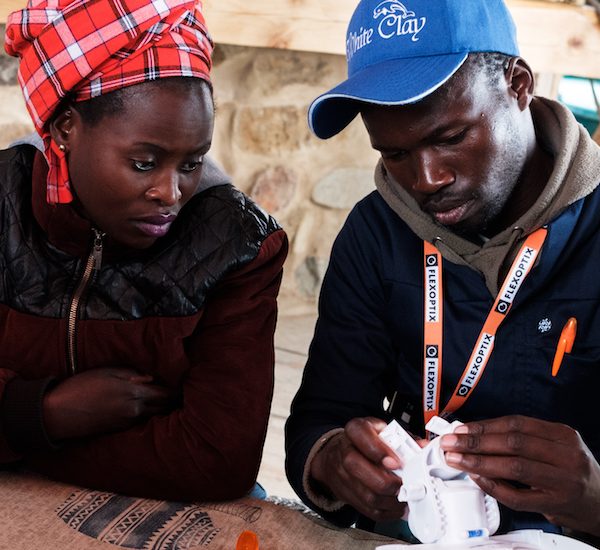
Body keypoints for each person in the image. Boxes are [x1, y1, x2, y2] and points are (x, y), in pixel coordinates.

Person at [285, 0, 600, 543]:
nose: (425, 179)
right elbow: (322, 416)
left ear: (518, 84)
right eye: (393, 153)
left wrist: (595, 498)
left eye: (451, 138)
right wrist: (336, 462)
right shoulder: (374, 233)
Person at [0, 0, 287, 502]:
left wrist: (21, 433)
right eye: (143, 163)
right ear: (65, 129)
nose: (171, 193)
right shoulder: (4, 201)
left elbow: (217, 461)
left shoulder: (238, 247)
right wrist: (48, 413)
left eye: (192, 162)